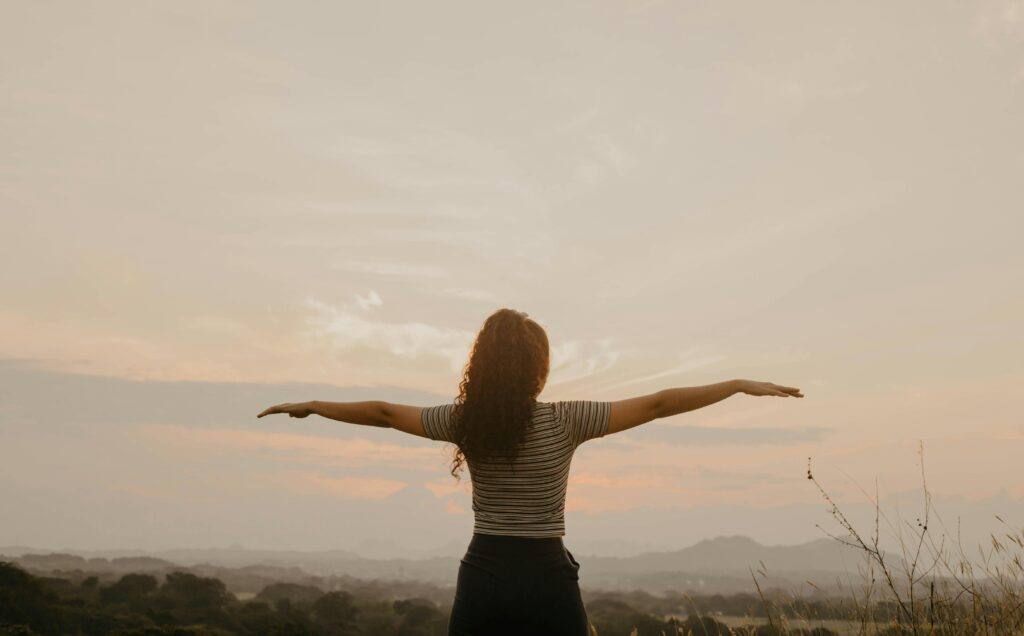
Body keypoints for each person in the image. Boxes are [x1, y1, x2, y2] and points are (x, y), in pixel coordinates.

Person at [257, 307, 804, 635]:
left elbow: (382, 413)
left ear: (482, 366)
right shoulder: (567, 421)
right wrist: (734, 385)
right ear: (539, 368)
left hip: (485, 573)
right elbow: (659, 402)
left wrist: (315, 404)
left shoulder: (464, 422)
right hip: (545, 575)